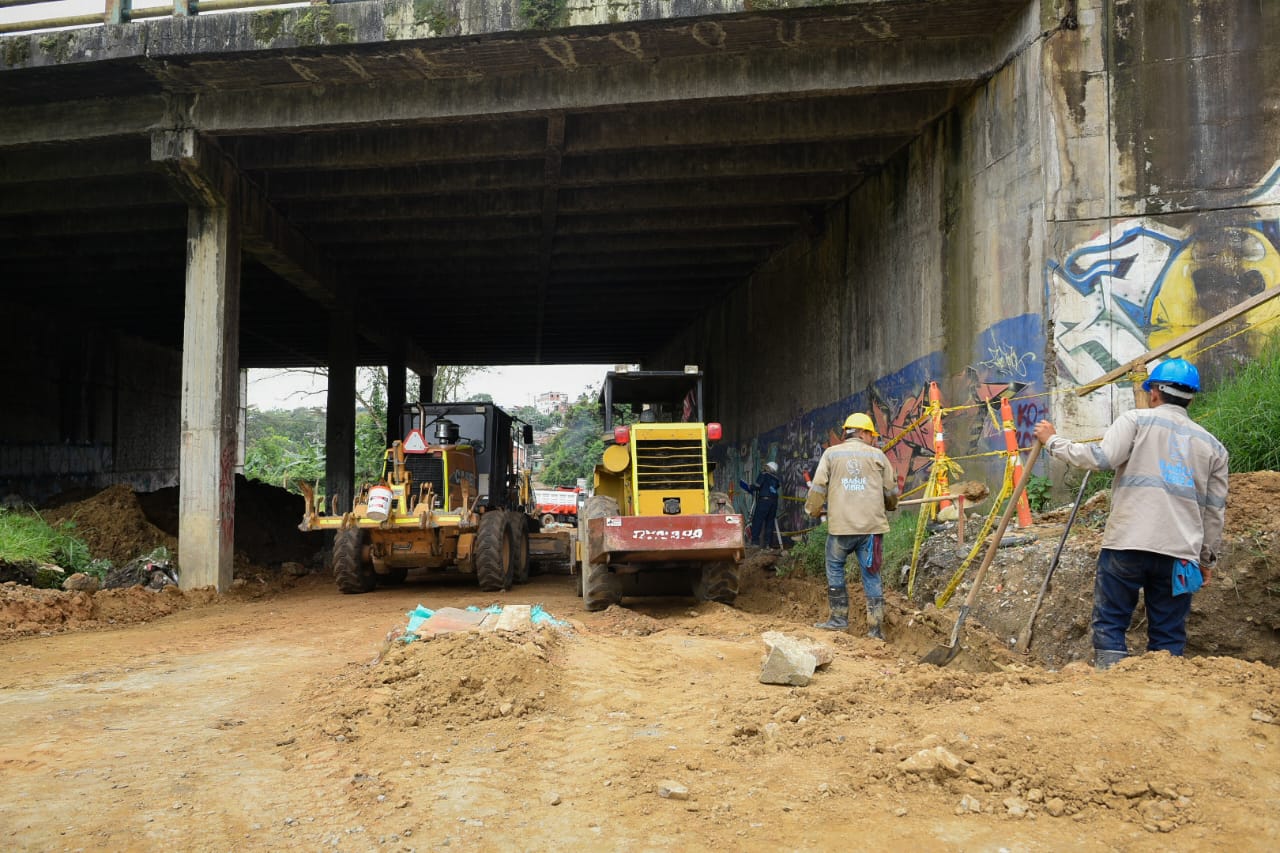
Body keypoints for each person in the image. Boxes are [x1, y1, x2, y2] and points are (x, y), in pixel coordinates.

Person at [1033, 357, 1228, 670]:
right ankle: (1163, 690)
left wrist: (1053, 442)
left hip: (1127, 544)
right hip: (1179, 554)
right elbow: (1214, 512)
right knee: (1168, 632)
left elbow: (1100, 458)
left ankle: (1112, 689)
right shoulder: (1213, 447)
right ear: (1191, 397)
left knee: (1111, 622)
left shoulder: (1135, 421)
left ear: (1153, 393)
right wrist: (1206, 560)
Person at [804, 413, 900, 638]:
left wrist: (813, 510)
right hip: (871, 530)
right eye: (871, 435)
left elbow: (818, 486)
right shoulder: (878, 456)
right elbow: (891, 491)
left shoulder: (831, 454)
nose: (873, 439)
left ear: (847, 431)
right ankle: (875, 629)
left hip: (841, 528)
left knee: (835, 568)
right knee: (872, 574)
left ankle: (838, 619)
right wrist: (890, 505)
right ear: (863, 433)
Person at [740, 461, 782, 548]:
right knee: (769, 523)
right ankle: (768, 545)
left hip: (764, 501)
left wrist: (749, 487)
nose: (765, 468)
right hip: (774, 502)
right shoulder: (777, 479)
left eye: (766, 467)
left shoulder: (763, 474)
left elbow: (757, 486)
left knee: (757, 521)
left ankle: (755, 542)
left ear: (769, 468)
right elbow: (773, 487)